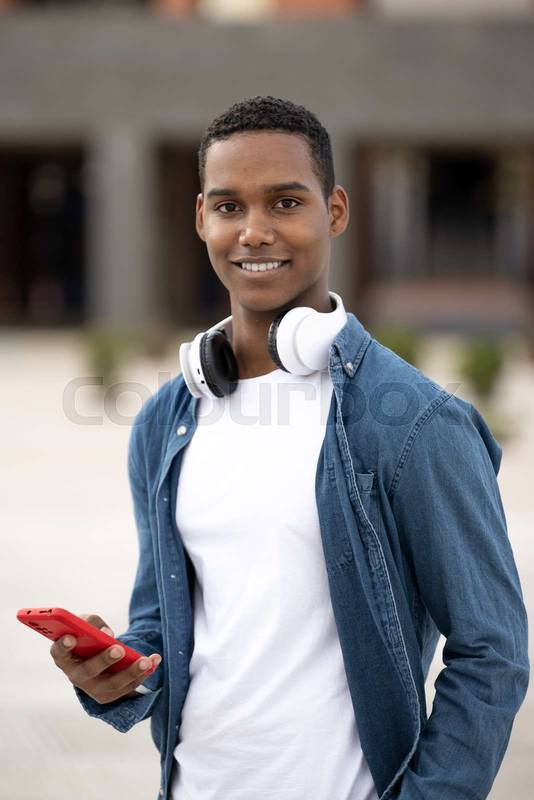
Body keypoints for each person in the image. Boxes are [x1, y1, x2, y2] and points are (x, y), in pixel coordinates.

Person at [50, 96, 529, 800]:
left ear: (334, 211)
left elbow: (493, 652)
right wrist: (117, 672)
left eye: (285, 202)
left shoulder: (415, 422)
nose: (254, 231)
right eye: (229, 207)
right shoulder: (164, 420)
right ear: (201, 218)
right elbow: (163, 622)